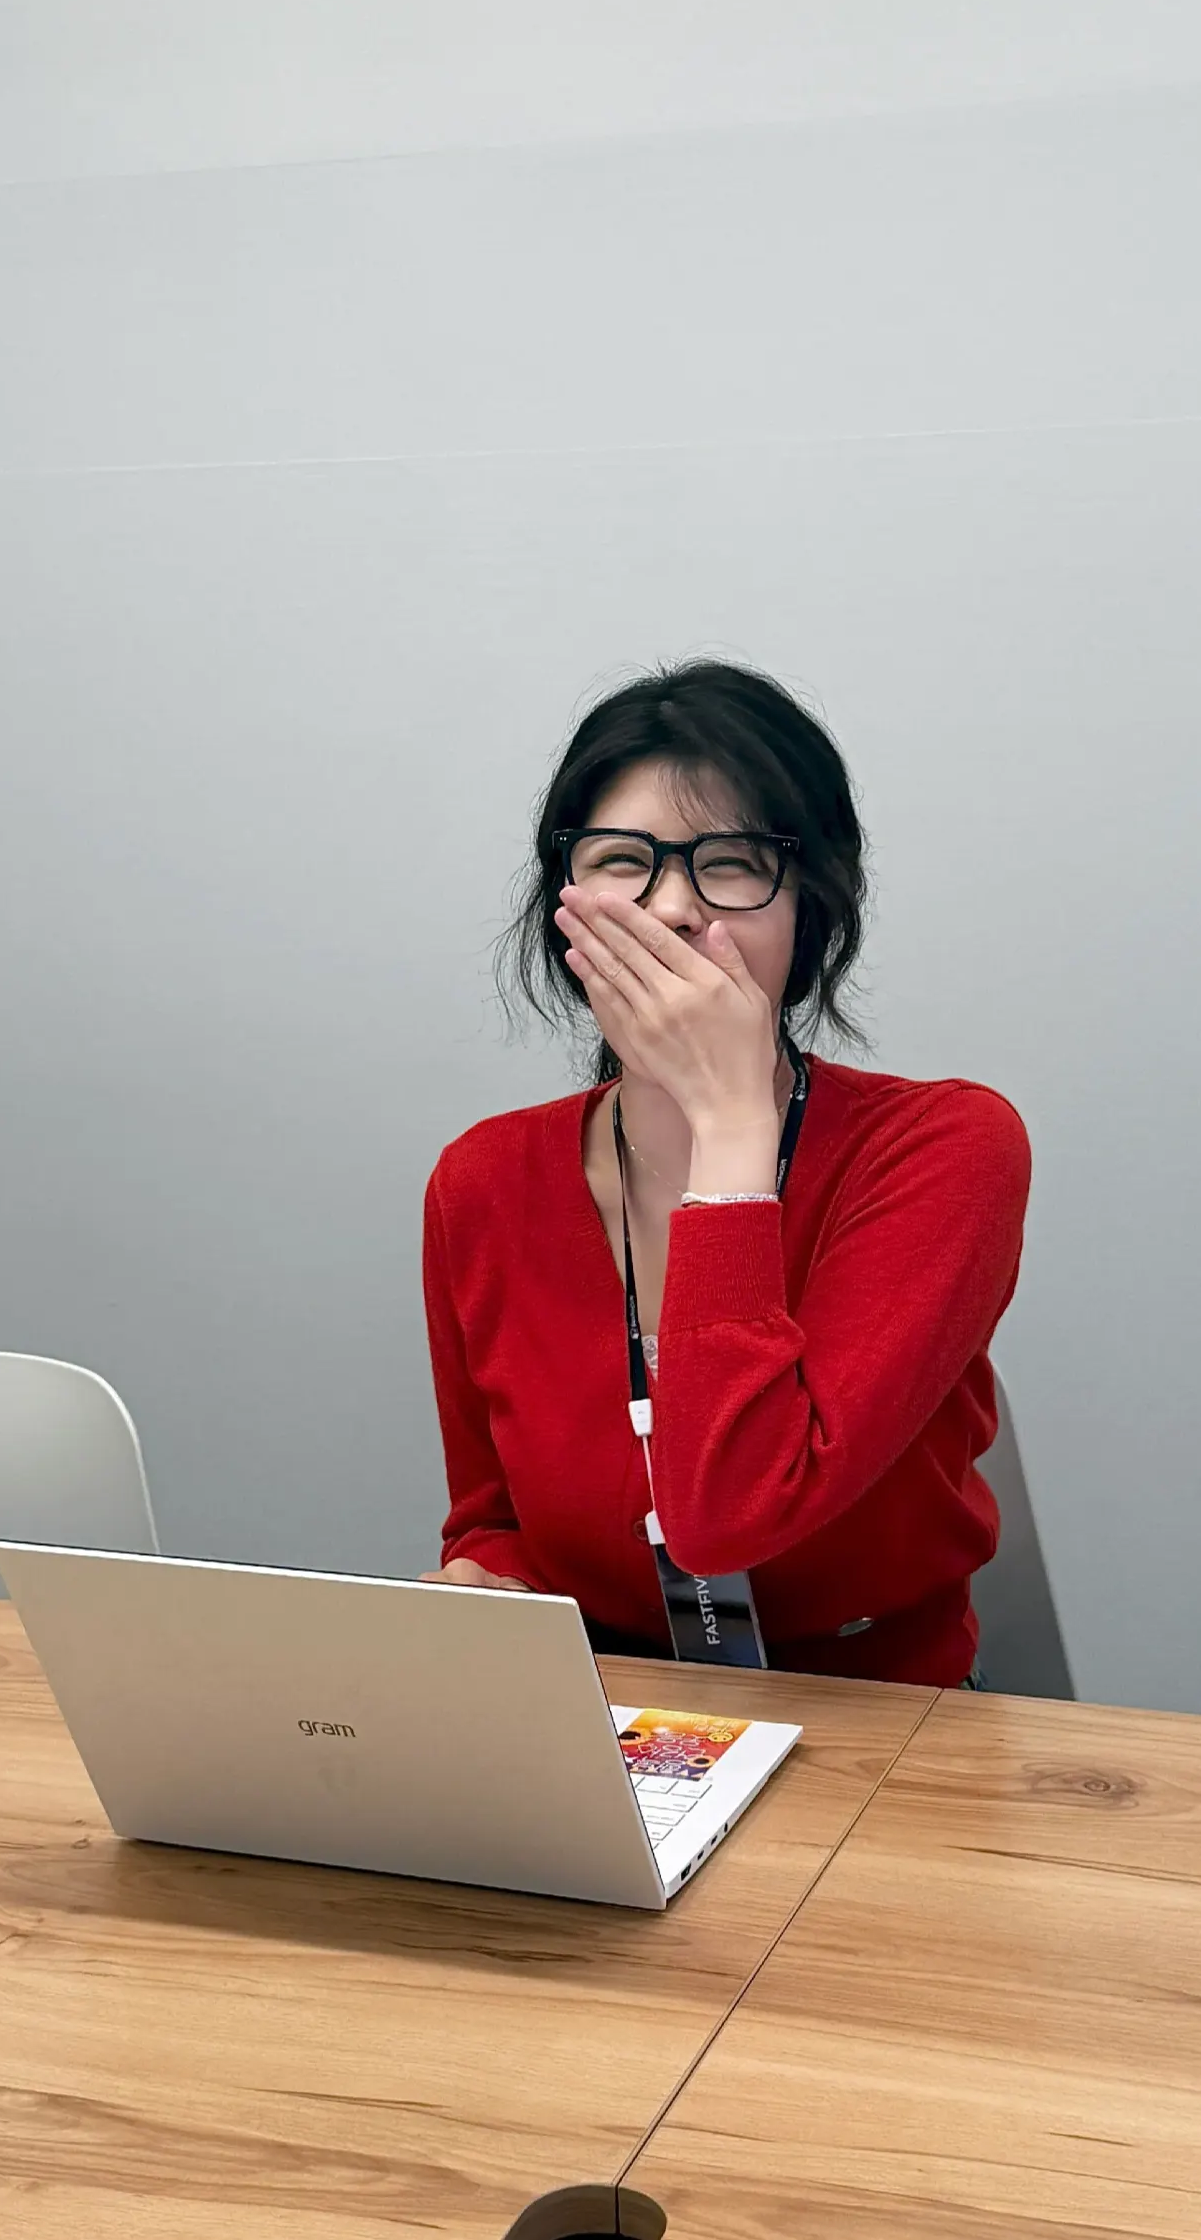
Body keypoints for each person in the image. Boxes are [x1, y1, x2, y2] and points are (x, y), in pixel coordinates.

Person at [419, 661, 1030, 1687]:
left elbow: (729, 1516)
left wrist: (730, 1122)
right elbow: (494, 1518)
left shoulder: (947, 1145)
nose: (669, 908)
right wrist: (489, 1585)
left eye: (732, 863)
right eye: (622, 861)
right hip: (609, 1713)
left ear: (810, 906)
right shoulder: (482, 1179)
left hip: (884, 1716)